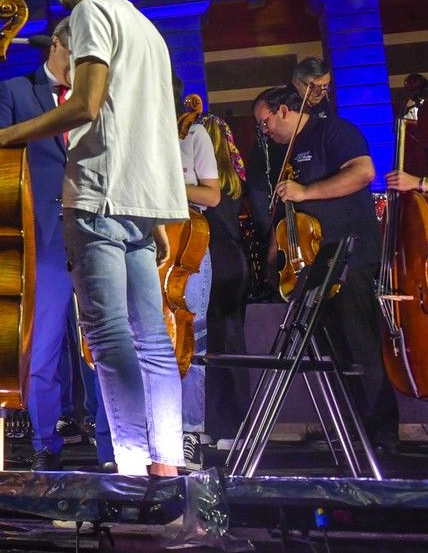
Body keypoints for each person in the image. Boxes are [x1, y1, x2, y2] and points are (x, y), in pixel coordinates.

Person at [0, 0, 187, 477]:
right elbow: (151, 124)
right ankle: (166, 466)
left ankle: (132, 471)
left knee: (108, 337)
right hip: (138, 202)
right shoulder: (146, 27)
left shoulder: (90, 14)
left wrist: (0, 136)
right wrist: (152, 209)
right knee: (153, 341)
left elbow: (85, 106)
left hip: (97, 199)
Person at [0, 18, 109, 470]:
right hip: (44, 236)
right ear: (58, 45)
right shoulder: (17, 92)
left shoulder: (95, 95)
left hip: (96, 233)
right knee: (43, 349)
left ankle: (112, 448)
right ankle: (45, 445)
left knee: (105, 345)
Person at [252, 85, 399, 451]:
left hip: (351, 258)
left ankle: (382, 433)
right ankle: (350, 428)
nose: (264, 131)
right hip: (314, 267)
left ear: (284, 109)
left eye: (265, 122)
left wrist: (305, 192)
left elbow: (364, 172)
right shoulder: (286, 153)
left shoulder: (333, 131)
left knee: (361, 346)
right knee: (333, 353)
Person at [171, 81, 222, 469]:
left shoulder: (196, 134)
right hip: (151, 241)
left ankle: (190, 431)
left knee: (192, 338)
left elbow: (212, 195)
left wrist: (173, 184)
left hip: (189, 242)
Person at [198, 113, 252, 453]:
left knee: (225, 343)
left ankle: (234, 423)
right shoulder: (232, 177)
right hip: (229, 259)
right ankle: (216, 421)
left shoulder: (212, 183)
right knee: (214, 342)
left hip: (221, 261)